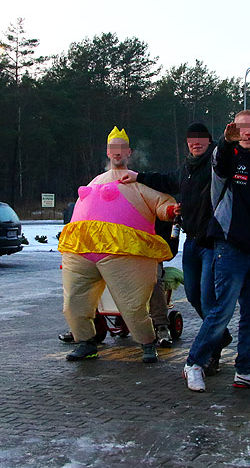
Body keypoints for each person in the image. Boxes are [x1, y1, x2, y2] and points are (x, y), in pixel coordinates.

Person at [183, 110, 250, 392]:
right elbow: (220, 162)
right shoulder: (226, 158)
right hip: (228, 246)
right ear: (235, 130)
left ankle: (245, 369)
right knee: (221, 312)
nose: (248, 131)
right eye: (242, 127)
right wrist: (225, 141)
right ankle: (194, 363)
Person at [58, 127, 178, 363]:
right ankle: (85, 342)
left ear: (129, 152)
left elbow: (160, 203)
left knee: (132, 304)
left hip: (123, 253)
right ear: (107, 152)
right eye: (113, 149)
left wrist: (171, 210)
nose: (117, 153)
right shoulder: (95, 181)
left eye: (122, 149)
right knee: (73, 301)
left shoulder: (136, 180)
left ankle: (146, 342)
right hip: (83, 251)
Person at [120, 122, 233, 373]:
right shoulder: (187, 170)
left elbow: (225, 156)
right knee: (193, 295)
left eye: (201, 139)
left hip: (212, 244)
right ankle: (220, 334)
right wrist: (138, 176)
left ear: (209, 141)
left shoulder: (216, 165)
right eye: (191, 139)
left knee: (207, 297)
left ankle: (211, 352)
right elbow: (165, 179)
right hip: (191, 243)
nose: (196, 143)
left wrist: (226, 142)